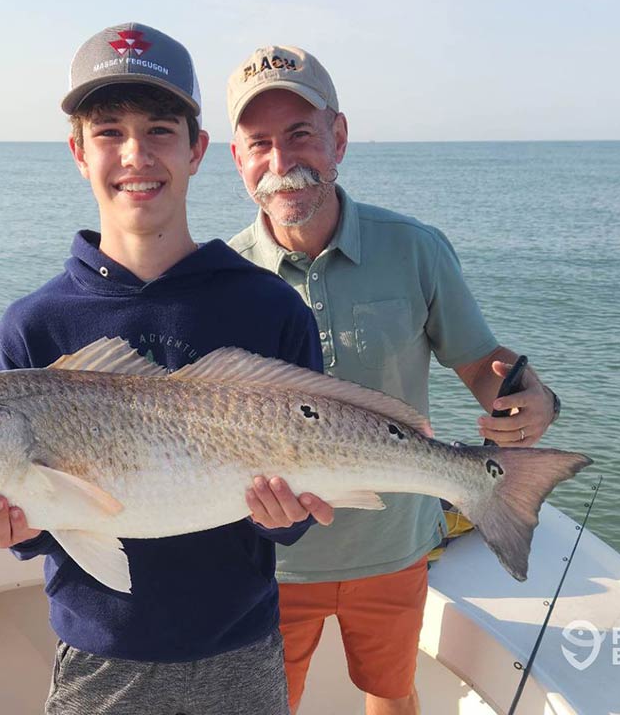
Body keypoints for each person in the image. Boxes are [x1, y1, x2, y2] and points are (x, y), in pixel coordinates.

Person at [0, 24, 334, 715]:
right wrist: (12, 528)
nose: (135, 154)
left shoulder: (269, 307)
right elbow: (49, 521)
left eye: (160, 129)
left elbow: (299, 504)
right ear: (77, 151)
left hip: (242, 650)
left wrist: (286, 518)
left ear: (197, 151)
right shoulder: (33, 326)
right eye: (108, 132)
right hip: (99, 659)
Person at [226, 45, 562, 715]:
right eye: (258, 142)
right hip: (269, 562)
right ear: (236, 158)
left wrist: (529, 400)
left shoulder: (414, 246)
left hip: (395, 547)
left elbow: (479, 362)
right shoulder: (221, 279)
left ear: (339, 138)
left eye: (300, 134)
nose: (280, 161)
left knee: (391, 692)